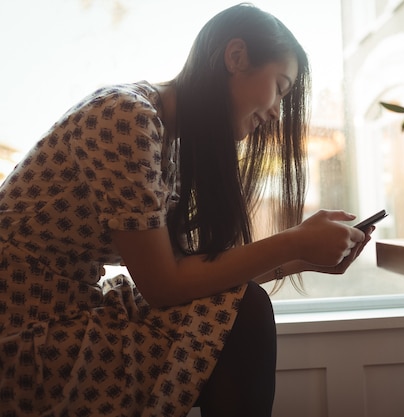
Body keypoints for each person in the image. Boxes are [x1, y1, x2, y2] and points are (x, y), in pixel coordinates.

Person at [0, 3, 372, 417]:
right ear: (236, 57)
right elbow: (165, 285)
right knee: (244, 313)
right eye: (280, 88)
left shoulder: (165, 141)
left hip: (68, 310)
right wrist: (293, 242)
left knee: (240, 308)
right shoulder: (125, 117)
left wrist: (301, 257)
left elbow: (192, 275)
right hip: (23, 329)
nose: (275, 114)